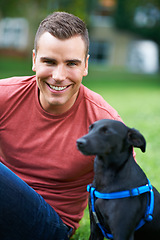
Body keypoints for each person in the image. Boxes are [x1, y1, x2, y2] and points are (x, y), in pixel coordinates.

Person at [0, 12, 123, 239]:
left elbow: (128, 194)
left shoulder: (105, 123)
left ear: (85, 65)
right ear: (34, 60)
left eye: (71, 64)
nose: (58, 76)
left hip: (51, 226)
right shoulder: (5, 96)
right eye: (49, 61)